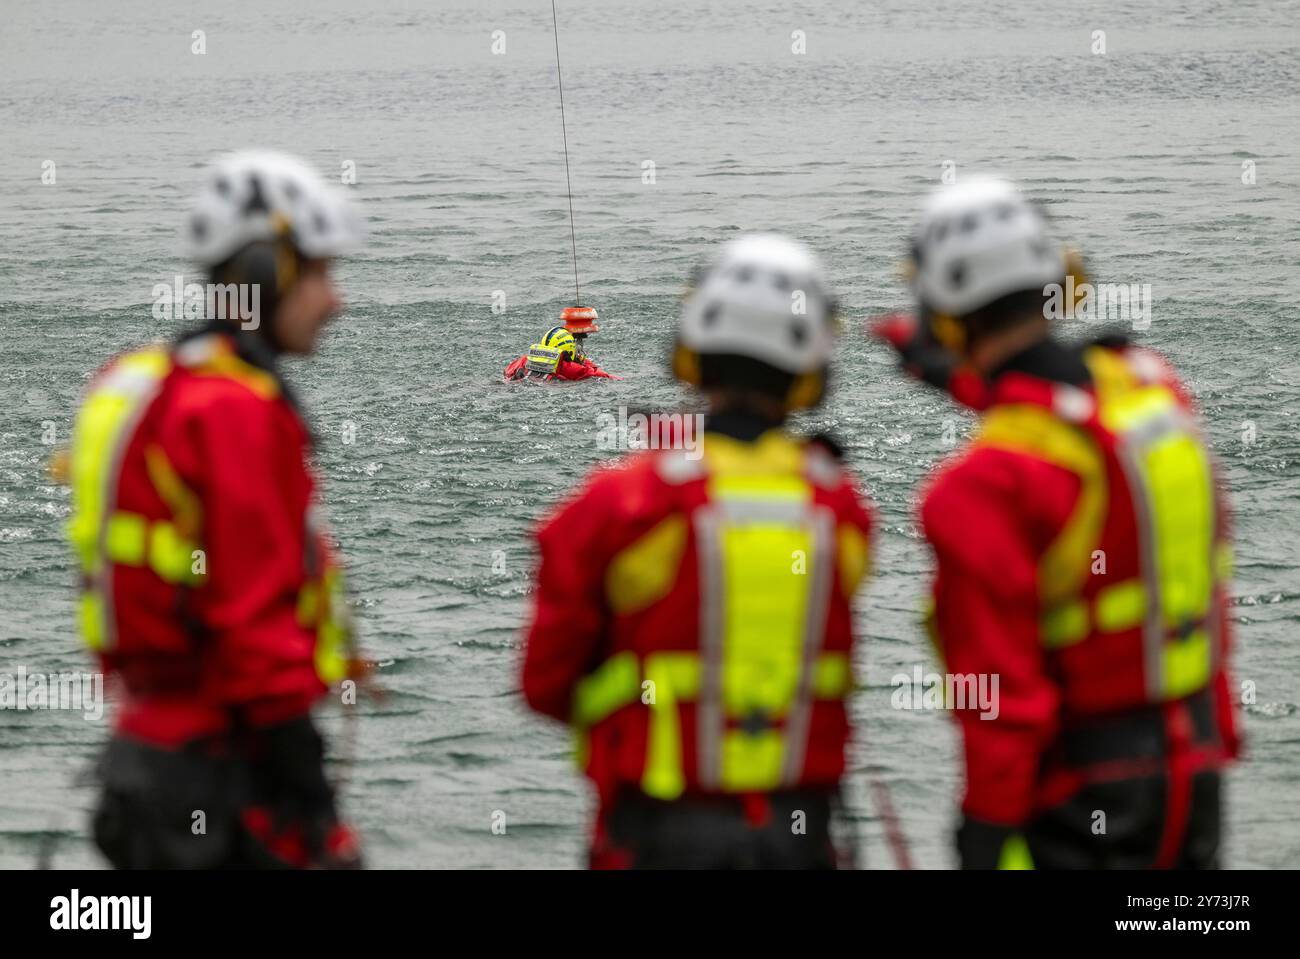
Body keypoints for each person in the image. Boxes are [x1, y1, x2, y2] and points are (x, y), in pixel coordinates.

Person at [874, 176, 1239, 869]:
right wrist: (957, 377)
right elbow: (1069, 417)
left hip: (1077, 796)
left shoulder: (977, 485)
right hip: (1193, 767)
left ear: (944, 311)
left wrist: (980, 833)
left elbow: (1000, 699)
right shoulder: (1150, 388)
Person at [522, 234, 875, 868]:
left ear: (689, 356)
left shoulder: (622, 500)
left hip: (660, 828)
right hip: (800, 831)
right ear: (813, 371)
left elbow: (545, 683)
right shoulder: (840, 509)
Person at [64, 149, 366, 869]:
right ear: (265, 273)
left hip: (144, 761)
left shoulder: (143, 383)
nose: (336, 300)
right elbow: (251, 628)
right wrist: (312, 803)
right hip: (221, 773)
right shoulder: (233, 410)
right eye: (321, 273)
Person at [503, 319, 616, 382]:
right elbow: (600, 375)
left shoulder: (525, 360)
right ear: (569, 349)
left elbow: (507, 372)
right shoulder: (569, 368)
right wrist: (583, 360)